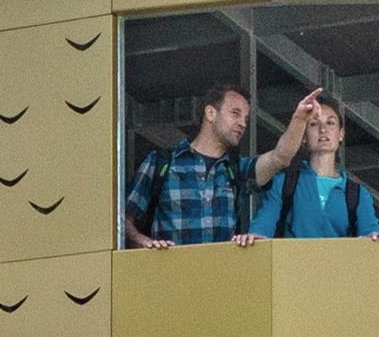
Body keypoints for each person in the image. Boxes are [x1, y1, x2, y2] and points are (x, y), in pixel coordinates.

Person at [121, 80, 307, 249]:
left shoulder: (236, 169)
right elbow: (122, 220)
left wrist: (300, 119)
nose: (243, 124)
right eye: (235, 113)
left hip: (221, 273)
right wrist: (142, 241)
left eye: (245, 118)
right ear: (211, 113)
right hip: (169, 273)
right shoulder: (161, 162)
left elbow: (280, 158)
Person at [246, 90, 379, 238]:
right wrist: (253, 237)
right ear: (304, 136)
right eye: (314, 124)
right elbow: (261, 228)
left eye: (330, 123)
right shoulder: (283, 184)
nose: (323, 130)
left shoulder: (357, 193)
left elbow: (372, 233)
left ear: (341, 134)